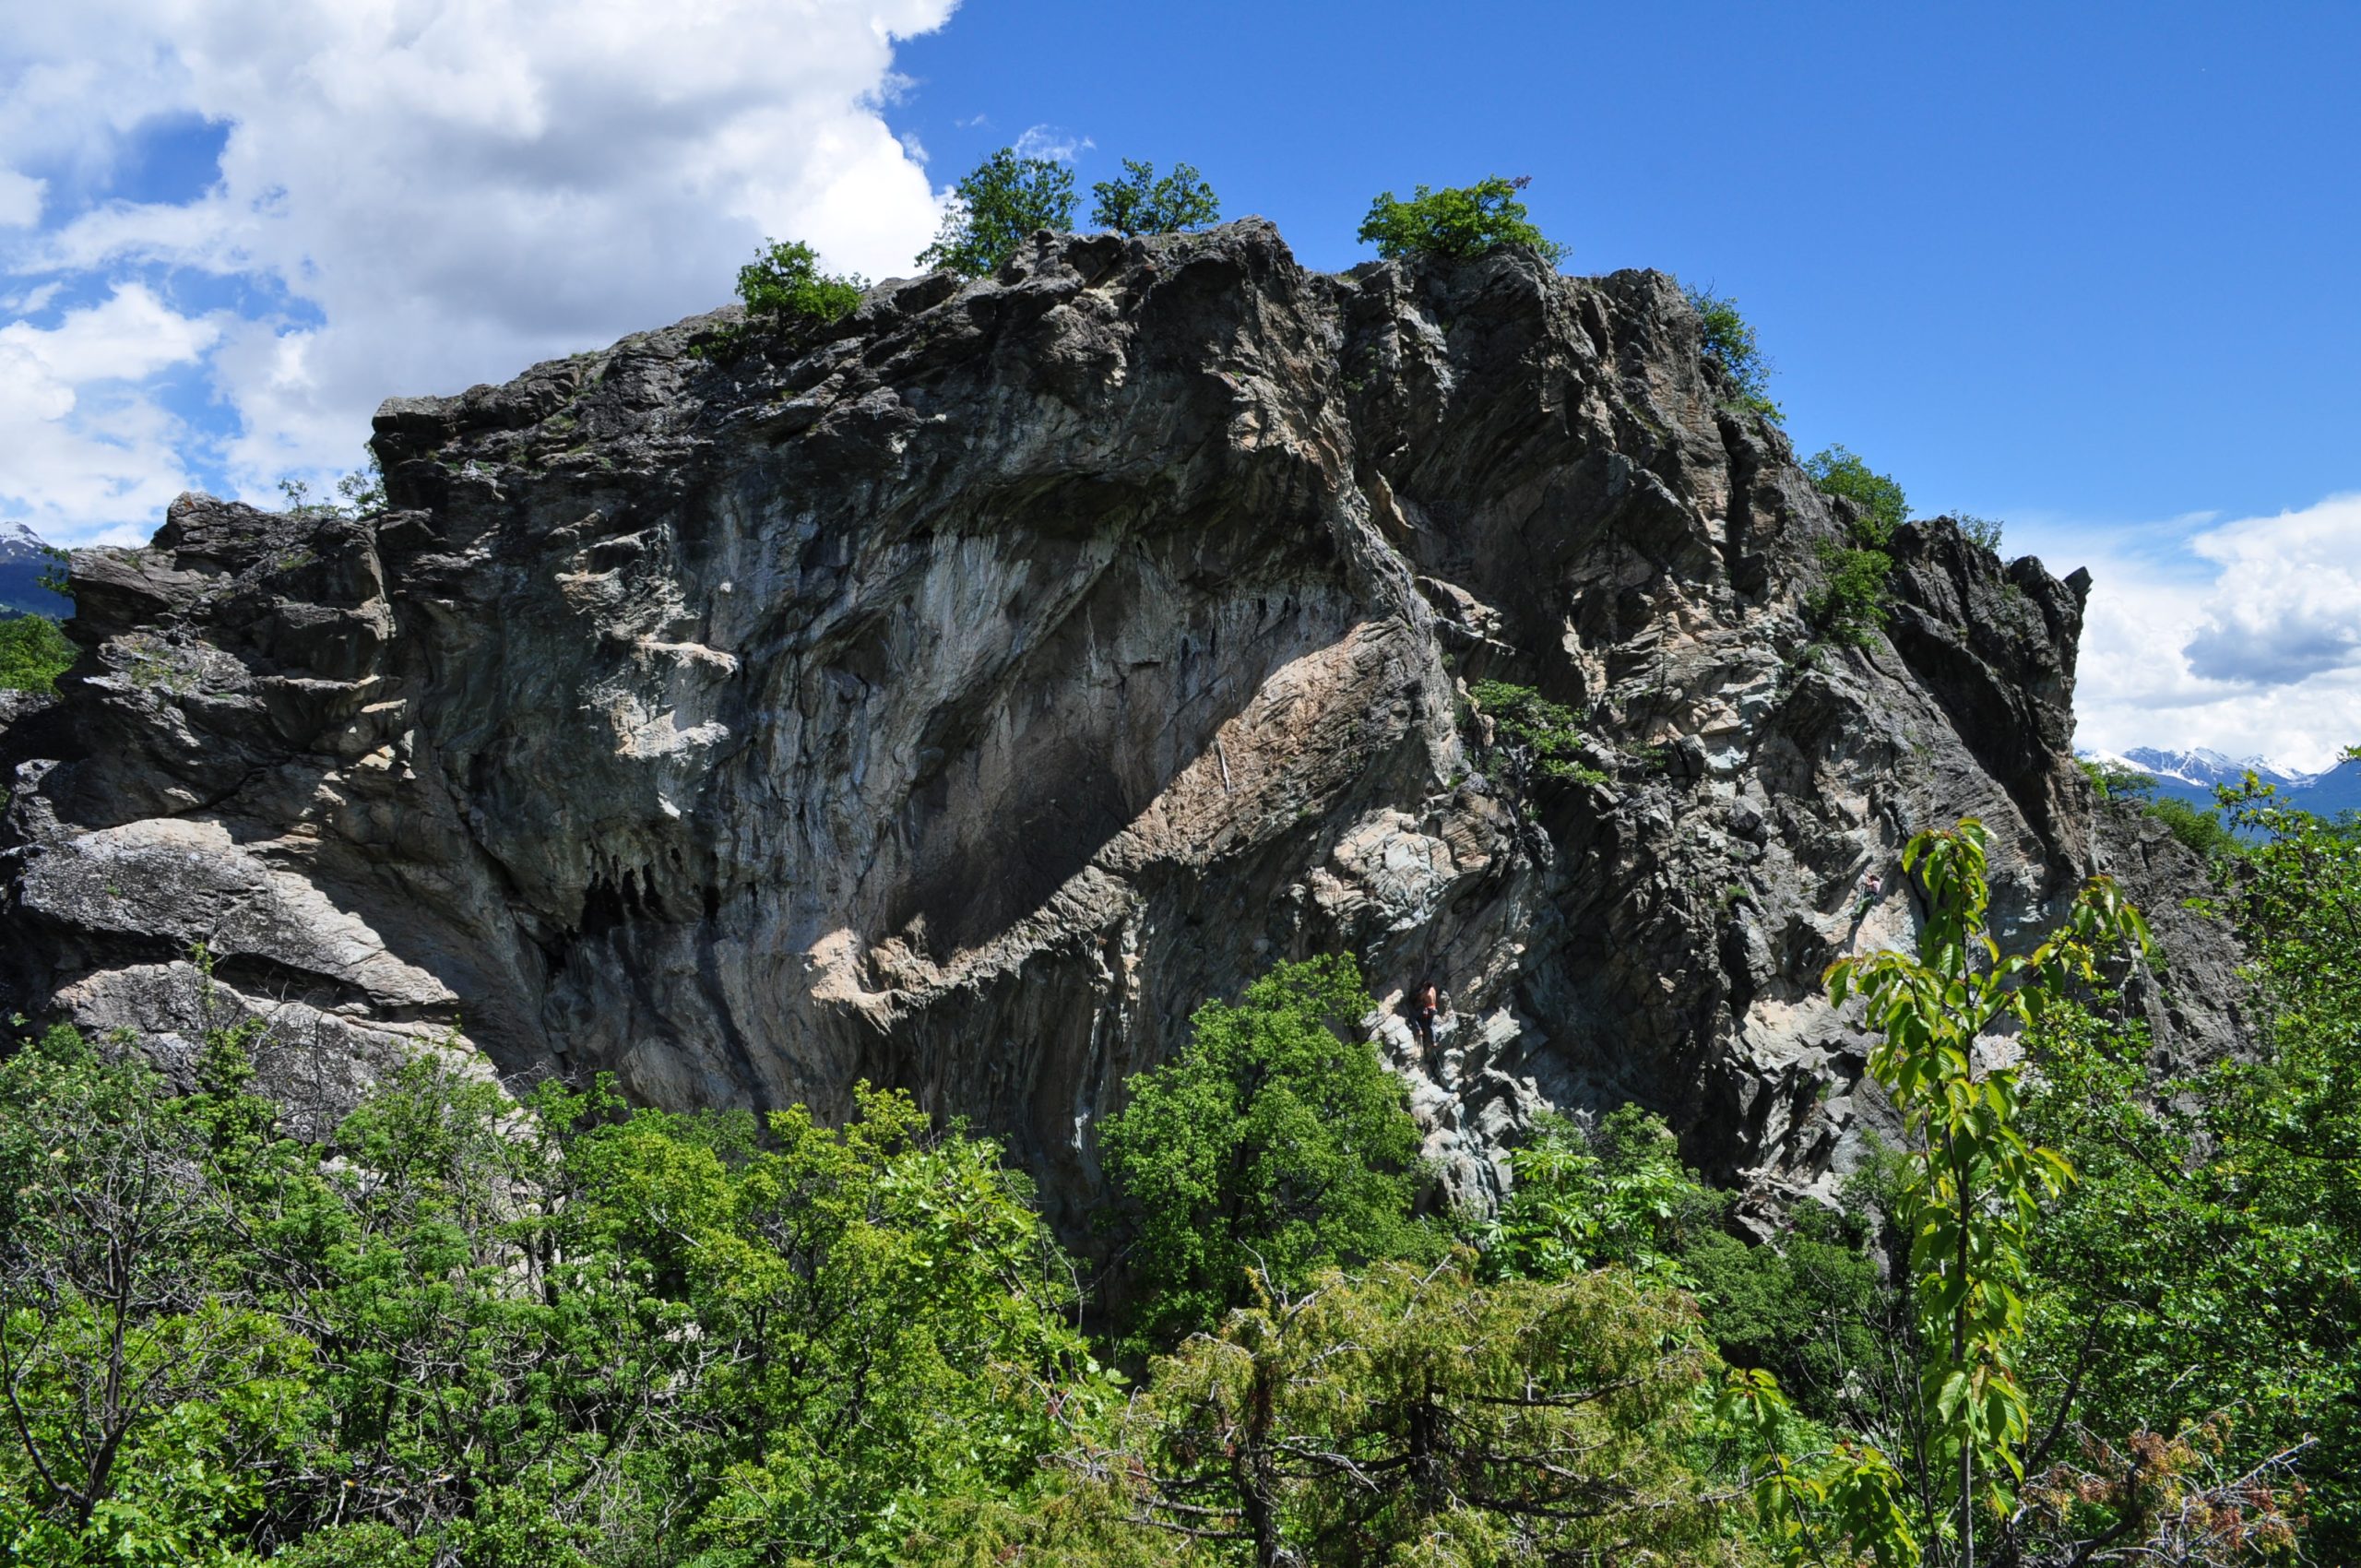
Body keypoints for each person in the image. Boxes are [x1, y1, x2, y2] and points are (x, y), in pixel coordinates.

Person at [1411, 980, 1441, 1052]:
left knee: (1413, 1016)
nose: (1423, 986)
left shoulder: (1426, 993)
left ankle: (1419, 1030)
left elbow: (1419, 998)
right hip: (1433, 1009)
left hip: (1428, 1010)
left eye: (1424, 985)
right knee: (1431, 1026)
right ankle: (1433, 1041)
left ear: (1427, 987)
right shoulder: (1432, 989)